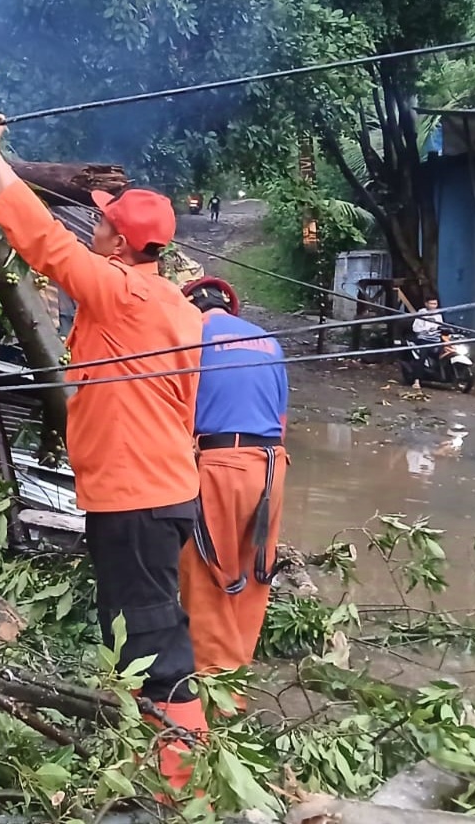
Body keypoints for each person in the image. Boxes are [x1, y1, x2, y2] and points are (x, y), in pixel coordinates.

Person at [0, 114, 208, 792]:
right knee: (135, 627)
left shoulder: (124, 293)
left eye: (99, 221)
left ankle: (180, 778)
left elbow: (43, 243)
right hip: (147, 493)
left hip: (139, 497)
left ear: (120, 244)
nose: (88, 225)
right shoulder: (170, 306)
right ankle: (150, 753)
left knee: (155, 637)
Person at [178, 277, 289, 680]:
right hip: (272, 465)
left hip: (221, 464)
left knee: (209, 574)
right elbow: (281, 420)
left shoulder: (188, 337)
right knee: (255, 572)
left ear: (191, 306)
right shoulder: (269, 341)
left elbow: (179, 414)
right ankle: (238, 674)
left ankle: (215, 693)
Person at [411, 297, 445, 368]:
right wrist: (427, 329)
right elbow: (415, 328)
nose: (434, 306)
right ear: (426, 304)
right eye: (431, 304)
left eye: (435, 304)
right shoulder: (421, 314)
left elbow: (441, 326)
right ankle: (417, 378)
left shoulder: (438, 314)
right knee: (422, 357)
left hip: (437, 339)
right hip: (424, 339)